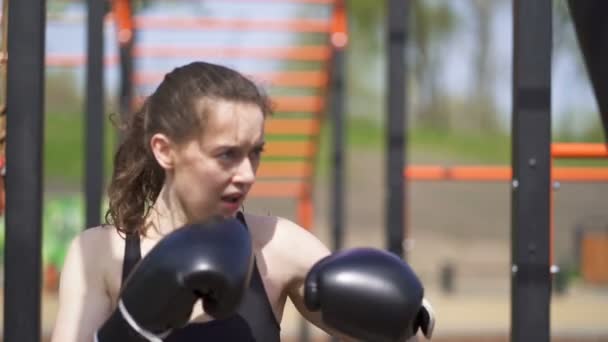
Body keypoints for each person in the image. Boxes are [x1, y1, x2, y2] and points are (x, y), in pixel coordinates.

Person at [51, 61, 434, 342]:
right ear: (165, 150)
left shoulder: (279, 246)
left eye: (254, 153)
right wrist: (131, 327)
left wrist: (400, 313)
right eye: (226, 155)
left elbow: (398, 328)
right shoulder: (99, 253)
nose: (248, 174)